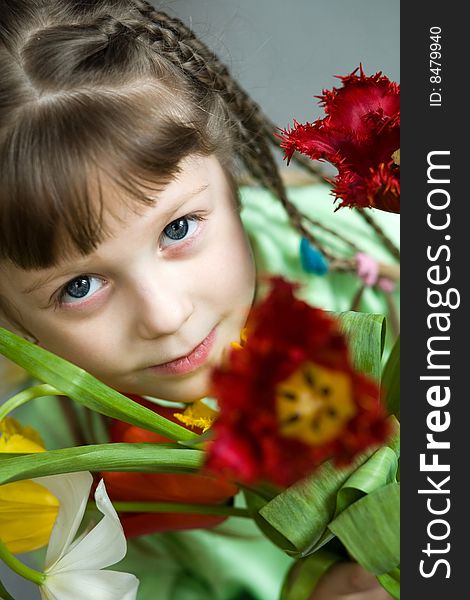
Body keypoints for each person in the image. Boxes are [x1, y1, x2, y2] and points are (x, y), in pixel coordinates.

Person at [0, 1, 396, 598]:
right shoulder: (56, 470)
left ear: (227, 167)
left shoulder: (377, 259)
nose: (166, 315)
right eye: (79, 287)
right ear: (8, 318)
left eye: (178, 229)